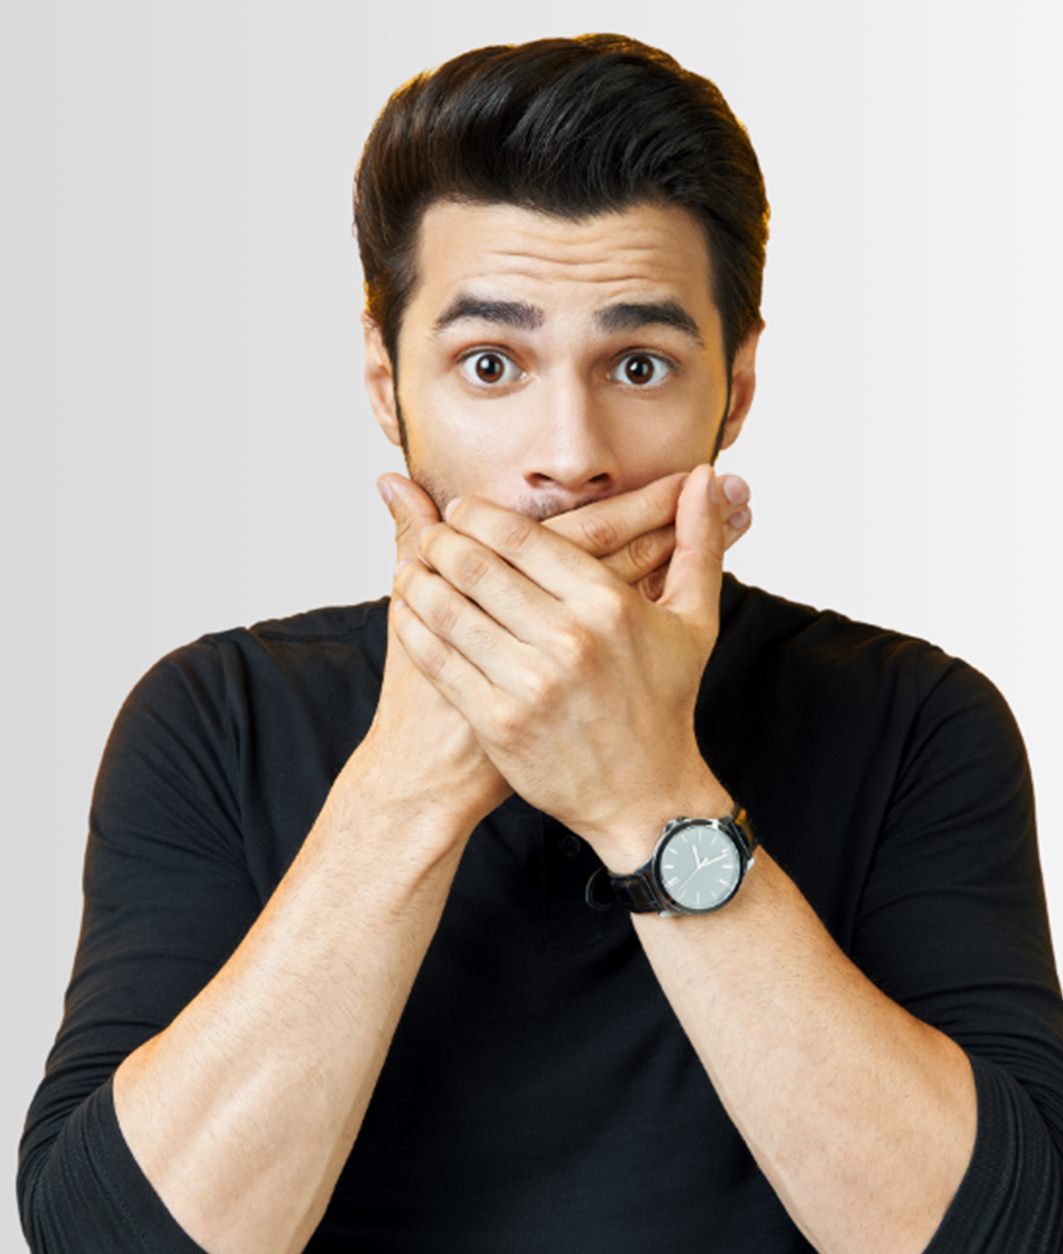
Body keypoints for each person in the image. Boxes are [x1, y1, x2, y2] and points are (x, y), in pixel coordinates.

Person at [18, 33, 1063, 1254]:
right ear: (382, 379)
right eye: (490, 363)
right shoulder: (215, 714)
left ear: (734, 387)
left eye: (637, 363)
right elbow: (108, 1240)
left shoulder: (913, 718)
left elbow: (1005, 1236)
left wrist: (647, 796)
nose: (569, 452)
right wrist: (418, 776)